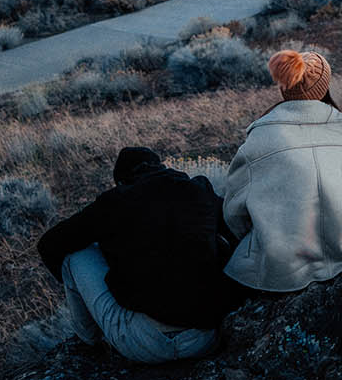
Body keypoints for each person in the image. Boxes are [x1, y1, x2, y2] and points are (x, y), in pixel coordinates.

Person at [37, 145, 244, 364]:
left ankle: (89, 345)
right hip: (206, 337)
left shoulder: (113, 202)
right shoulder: (199, 189)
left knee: (76, 256)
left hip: (142, 343)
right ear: (160, 166)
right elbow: (237, 229)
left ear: (122, 181)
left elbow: (49, 244)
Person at [223, 49, 342, 293]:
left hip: (281, 269)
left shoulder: (259, 137)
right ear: (324, 88)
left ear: (284, 87)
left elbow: (234, 211)